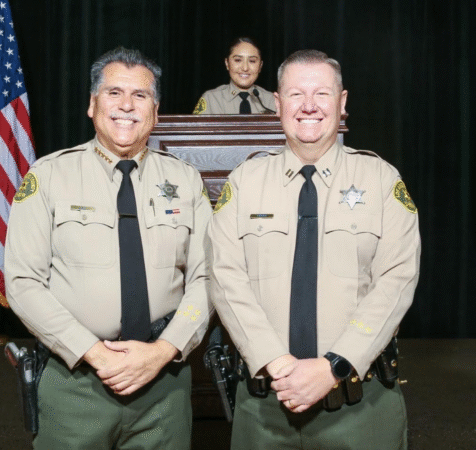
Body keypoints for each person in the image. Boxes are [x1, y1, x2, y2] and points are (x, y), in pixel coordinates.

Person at [208, 49, 420, 449]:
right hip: (264, 407)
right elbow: (224, 278)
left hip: (360, 408)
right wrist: (275, 362)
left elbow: (397, 280)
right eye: (296, 94)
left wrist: (334, 366)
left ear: (342, 102)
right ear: (277, 103)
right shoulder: (244, 182)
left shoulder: (380, 179)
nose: (309, 106)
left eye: (322, 93)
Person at [5, 47, 213, 450]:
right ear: (92, 104)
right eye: (114, 92)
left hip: (164, 384)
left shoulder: (186, 180)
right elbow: (23, 282)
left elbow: (208, 277)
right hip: (75, 381)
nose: (126, 106)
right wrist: (94, 354)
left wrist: (165, 349)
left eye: (140, 95)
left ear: (155, 111)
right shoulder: (49, 176)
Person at [193, 37, 276, 115]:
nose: (245, 68)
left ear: (260, 66)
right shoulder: (211, 99)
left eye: (252, 61)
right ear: (227, 63)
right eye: (238, 60)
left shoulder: (271, 101)